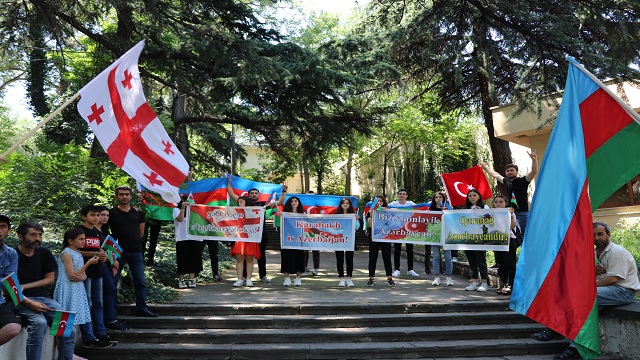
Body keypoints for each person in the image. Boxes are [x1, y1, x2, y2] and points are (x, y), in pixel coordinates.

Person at [533, 222, 640, 360]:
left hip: (623, 291)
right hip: (605, 290)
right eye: (593, 235)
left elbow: (614, 278)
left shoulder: (617, 252)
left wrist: (588, 287)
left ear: (608, 234)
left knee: (582, 298)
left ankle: (570, 343)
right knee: (579, 306)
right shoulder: (594, 253)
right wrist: (592, 271)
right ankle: (566, 337)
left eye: (600, 234)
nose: (597, 237)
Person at [12, 222, 76, 360]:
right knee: (39, 323)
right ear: (20, 237)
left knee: (68, 328)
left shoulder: (44, 253)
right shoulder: (12, 255)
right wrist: (26, 297)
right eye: (33, 235)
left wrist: (25, 286)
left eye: (40, 235)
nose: (38, 238)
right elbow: (8, 288)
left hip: (43, 298)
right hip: (19, 300)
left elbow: (49, 279)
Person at [53, 228, 112, 348]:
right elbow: (72, 276)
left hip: (77, 289)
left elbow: (82, 275)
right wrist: (88, 264)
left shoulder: (78, 253)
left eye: (84, 239)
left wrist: (81, 276)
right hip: (67, 289)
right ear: (70, 240)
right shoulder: (66, 254)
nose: (83, 242)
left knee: (74, 316)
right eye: (80, 239)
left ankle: (69, 348)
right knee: (64, 317)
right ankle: (61, 348)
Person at [108, 186, 158, 317]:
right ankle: (112, 310)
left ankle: (142, 308)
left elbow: (141, 233)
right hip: (117, 253)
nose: (124, 197)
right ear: (116, 197)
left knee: (140, 281)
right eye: (121, 194)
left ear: (130, 196)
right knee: (113, 282)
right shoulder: (111, 214)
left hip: (136, 252)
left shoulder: (139, 213)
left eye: (126, 194)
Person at [227, 175, 286, 283]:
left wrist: (284, 191)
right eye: (252, 193)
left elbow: (279, 203)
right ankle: (243, 277)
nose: (254, 194)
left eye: (256, 193)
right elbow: (231, 194)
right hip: (243, 234)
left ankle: (262, 275)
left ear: (259, 195)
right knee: (243, 255)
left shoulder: (263, 205)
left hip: (260, 234)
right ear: (248, 195)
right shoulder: (242, 203)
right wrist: (228, 181)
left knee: (261, 255)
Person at [75, 205, 116, 345]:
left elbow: (100, 250)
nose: (96, 218)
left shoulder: (97, 231)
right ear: (84, 216)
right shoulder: (78, 231)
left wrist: (104, 257)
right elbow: (72, 251)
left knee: (98, 303)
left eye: (98, 215)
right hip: (84, 272)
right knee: (87, 303)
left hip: (98, 271)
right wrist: (94, 254)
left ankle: (101, 332)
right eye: (93, 215)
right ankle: (88, 336)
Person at [480, 150, 537, 234]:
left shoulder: (523, 181)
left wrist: (534, 160)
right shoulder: (506, 181)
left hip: (522, 214)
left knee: (525, 236)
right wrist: (485, 167)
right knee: (513, 235)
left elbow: (534, 172)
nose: (509, 172)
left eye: (511, 170)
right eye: (507, 171)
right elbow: (495, 175)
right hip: (510, 213)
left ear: (516, 171)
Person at [96, 205, 130, 331]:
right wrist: (112, 261)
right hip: (95, 266)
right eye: (101, 215)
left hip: (106, 265)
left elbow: (109, 249)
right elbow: (95, 249)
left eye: (107, 215)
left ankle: (111, 319)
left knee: (110, 290)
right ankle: (108, 321)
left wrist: (113, 262)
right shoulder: (90, 232)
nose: (104, 218)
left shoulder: (105, 231)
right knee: (109, 290)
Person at [462, 189, 490, 292]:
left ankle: (484, 282)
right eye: (470, 196)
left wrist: (481, 212)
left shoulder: (484, 207)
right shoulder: (465, 208)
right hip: (468, 237)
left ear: (479, 196)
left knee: (481, 260)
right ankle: (474, 282)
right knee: (471, 260)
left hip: (480, 237)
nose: (472, 197)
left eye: (474, 195)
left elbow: (489, 220)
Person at [230, 196, 262, 287]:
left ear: (247, 203)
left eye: (241, 202)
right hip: (239, 237)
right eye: (239, 202)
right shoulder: (234, 212)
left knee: (249, 258)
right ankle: (240, 279)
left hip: (251, 238)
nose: (239, 204)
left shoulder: (255, 212)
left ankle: (248, 278)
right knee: (239, 258)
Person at [0, 215, 21, 346]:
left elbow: (10, 281)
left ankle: (66, 354)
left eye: (3, 227)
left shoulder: (11, 253)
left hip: (16, 299)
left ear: (8, 230)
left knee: (14, 328)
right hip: (21, 298)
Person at [388, 189, 420, 277]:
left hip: (408, 230)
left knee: (410, 249)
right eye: (400, 194)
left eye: (404, 194)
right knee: (397, 249)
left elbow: (420, 208)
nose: (402, 195)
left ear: (406, 196)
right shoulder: (393, 204)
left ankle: (410, 269)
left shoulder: (410, 204)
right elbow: (384, 208)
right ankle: (397, 269)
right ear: (398, 195)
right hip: (397, 230)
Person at [174, 196, 203, 288]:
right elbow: (180, 219)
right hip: (182, 238)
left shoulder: (196, 210)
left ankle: (191, 279)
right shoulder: (176, 209)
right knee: (182, 259)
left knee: (194, 258)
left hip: (195, 237)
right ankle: (181, 280)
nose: (187, 202)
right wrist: (183, 208)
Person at [366, 195, 395, 287]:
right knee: (373, 257)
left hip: (385, 236)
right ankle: (371, 278)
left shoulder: (388, 212)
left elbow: (392, 224)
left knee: (387, 257)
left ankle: (389, 278)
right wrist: (371, 214)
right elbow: (369, 225)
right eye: (377, 201)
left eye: (381, 201)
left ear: (384, 202)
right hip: (374, 236)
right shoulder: (371, 212)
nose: (379, 203)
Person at [492, 195, 518, 295]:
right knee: (500, 264)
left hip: (509, 240)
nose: (498, 204)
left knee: (510, 264)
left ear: (505, 203)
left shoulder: (509, 212)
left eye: (501, 202)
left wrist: (511, 215)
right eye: (496, 202)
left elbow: (512, 226)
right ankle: (504, 284)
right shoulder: (491, 213)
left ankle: (511, 285)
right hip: (497, 241)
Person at [429, 192, 454, 287]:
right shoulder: (430, 208)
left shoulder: (447, 208)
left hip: (446, 235)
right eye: (436, 197)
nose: (438, 199)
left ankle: (449, 278)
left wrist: (445, 210)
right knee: (436, 256)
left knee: (448, 257)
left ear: (443, 198)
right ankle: (436, 277)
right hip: (435, 235)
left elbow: (453, 216)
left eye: (440, 197)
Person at [280, 196, 306, 286]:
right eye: (292, 201)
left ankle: (298, 278)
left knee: (299, 258)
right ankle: (287, 278)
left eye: (295, 201)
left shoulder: (304, 214)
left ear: (298, 203)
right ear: (289, 203)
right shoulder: (284, 214)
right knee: (286, 258)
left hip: (299, 240)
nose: (294, 203)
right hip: (287, 239)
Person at [334, 197, 358, 287]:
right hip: (338, 240)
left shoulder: (353, 215)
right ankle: (341, 278)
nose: (345, 204)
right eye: (344, 203)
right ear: (341, 205)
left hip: (350, 240)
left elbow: (356, 227)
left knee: (349, 259)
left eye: (347, 203)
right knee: (339, 259)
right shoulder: (335, 215)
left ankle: (349, 278)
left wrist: (356, 219)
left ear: (350, 205)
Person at [303, 190, 320, 277]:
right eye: (308, 196)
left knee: (316, 250)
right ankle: (304, 267)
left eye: (312, 196)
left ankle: (316, 268)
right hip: (304, 229)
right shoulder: (302, 205)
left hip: (316, 229)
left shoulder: (318, 206)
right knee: (305, 251)